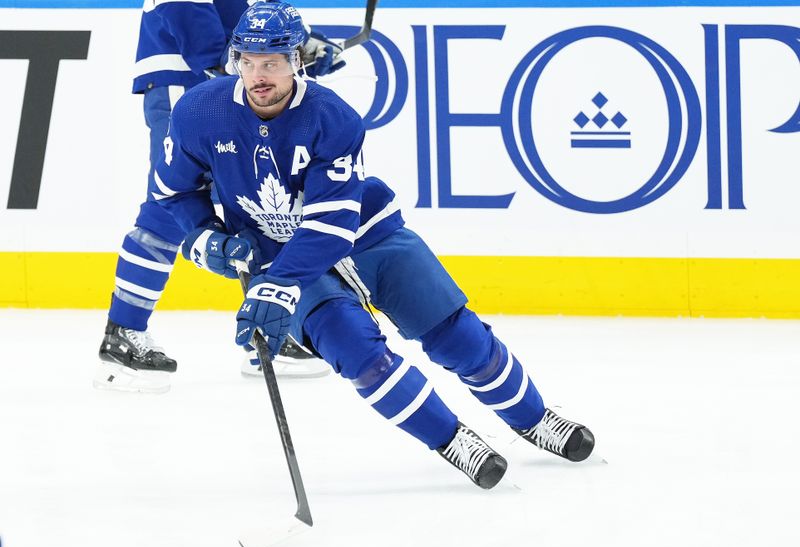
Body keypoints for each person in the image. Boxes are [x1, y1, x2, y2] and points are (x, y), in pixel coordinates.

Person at [153, 0, 595, 488]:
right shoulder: (198, 111)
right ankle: (454, 440)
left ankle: (533, 419)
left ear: (297, 60)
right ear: (235, 59)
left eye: (273, 63)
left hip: (365, 235)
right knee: (359, 354)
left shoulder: (333, 117)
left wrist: (276, 285)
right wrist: (206, 241)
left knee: (456, 334)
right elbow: (175, 192)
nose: (259, 76)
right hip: (277, 254)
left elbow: (331, 222)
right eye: (249, 62)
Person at [96, 0, 346, 393]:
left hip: (225, 80)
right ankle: (122, 334)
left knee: (258, 197)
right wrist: (264, 62)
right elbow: (192, 26)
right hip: (187, 79)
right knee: (170, 201)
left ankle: (266, 328)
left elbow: (248, 16)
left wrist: (301, 50)